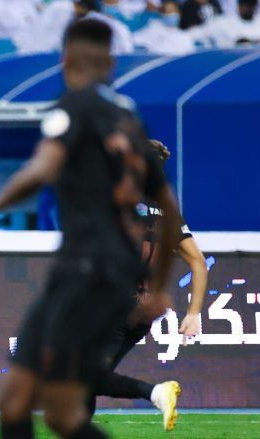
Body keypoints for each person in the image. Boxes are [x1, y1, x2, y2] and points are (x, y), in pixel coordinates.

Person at [0, 20, 181, 438]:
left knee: (20, 401)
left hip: (84, 270)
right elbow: (170, 212)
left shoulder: (72, 106)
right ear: (111, 62)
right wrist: (157, 287)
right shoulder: (128, 118)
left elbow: (43, 167)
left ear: (65, 59)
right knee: (60, 414)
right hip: (107, 276)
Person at [89, 139, 208, 432]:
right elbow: (199, 263)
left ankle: (154, 392)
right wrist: (193, 313)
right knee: (87, 380)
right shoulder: (169, 213)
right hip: (143, 312)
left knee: (83, 376)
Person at [187, 0, 260, 48]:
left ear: (255, 6)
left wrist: (259, 43)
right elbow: (199, 33)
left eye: (250, 5)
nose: (247, 8)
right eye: (244, 5)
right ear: (239, 5)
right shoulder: (223, 23)